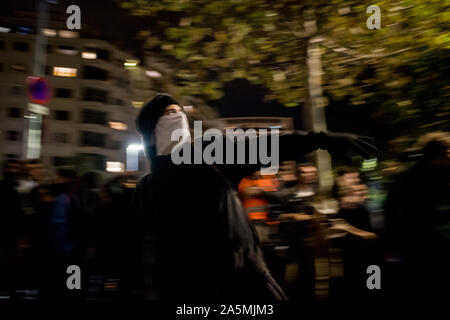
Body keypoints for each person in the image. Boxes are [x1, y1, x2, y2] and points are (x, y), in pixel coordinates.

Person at [127, 93, 376, 300]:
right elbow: (139, 251)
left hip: (242, 283)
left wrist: (323, 140)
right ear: (151, 130)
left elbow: (270, 145)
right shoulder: (146, 189)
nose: (177, 117)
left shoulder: (207, 155)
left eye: (179, 112)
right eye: (168, 114)